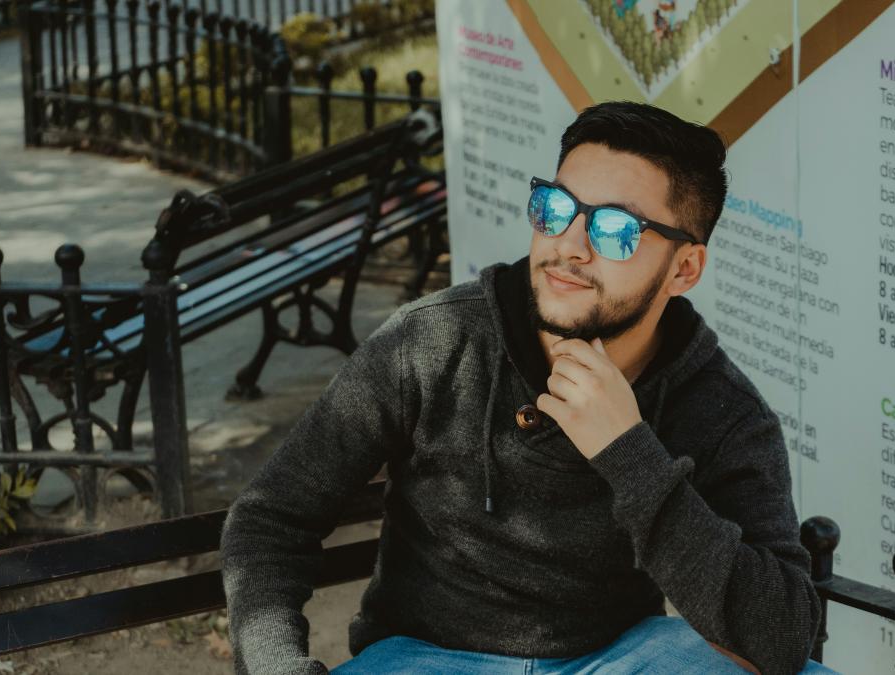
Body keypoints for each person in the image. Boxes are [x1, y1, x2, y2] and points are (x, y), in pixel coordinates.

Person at [221, 101, 834, 674]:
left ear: (683, 268)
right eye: (556, 208)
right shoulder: (435, 343)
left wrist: (629, 450)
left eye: (616, 229)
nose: (568, 245)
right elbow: (271, 519)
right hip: (428, 658)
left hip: (615, 657)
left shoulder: (720, 406)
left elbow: (782, 637)